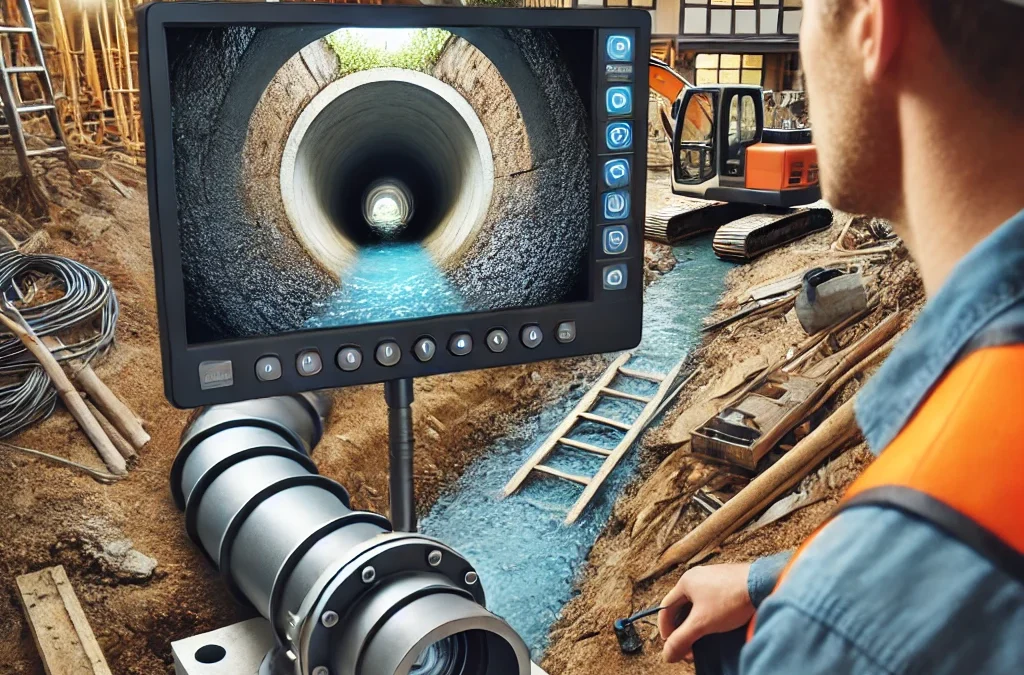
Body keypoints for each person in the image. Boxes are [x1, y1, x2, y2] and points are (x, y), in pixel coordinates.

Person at [657, 0, 1024, 672]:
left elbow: (898, 585)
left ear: (874, 29)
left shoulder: (837, 630)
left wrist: (810, 596)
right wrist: (772, 577)